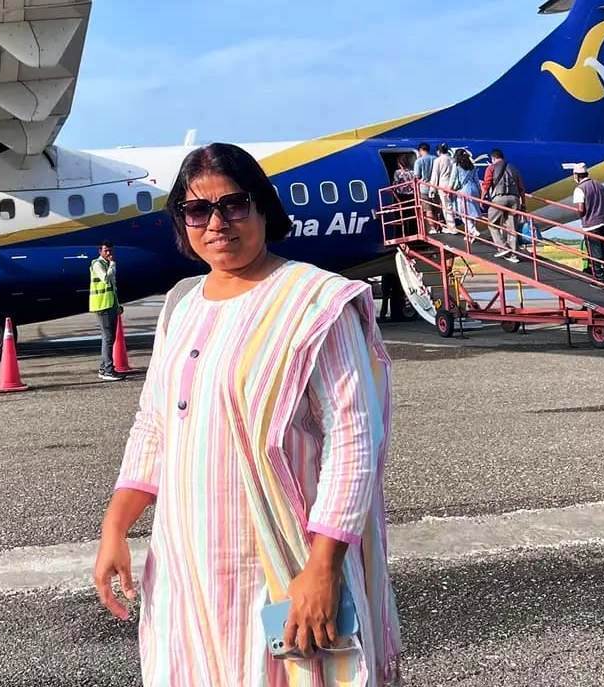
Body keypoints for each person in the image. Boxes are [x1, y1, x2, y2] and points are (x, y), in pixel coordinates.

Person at [94, 143, 401, 686]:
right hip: (185, 564)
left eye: (234, 205)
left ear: (263, 207)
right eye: (197, 210)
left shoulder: (314, 303)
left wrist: (323, 567)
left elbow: (355, 438)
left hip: (277, 562)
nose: (217, 223)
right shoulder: (181, 305)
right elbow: (154, 424)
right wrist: (115, 527)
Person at [572, 163, 604, 284]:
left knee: (594, 253)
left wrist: (578, 213)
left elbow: (581, 209)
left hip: (591, 225)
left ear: (576, 175)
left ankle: (599, 279)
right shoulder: (599, 185)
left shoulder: (580, 189)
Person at [481, 148, 526, 263]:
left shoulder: (491, 168)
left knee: (492, 224)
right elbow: (521, 188)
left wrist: (482, 199)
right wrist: (523, 203)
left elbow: (486, 184)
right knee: (512, 227)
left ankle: (503, 247)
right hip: (514, 199)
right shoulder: (513, 168)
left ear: (493, 158)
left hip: (499, 198)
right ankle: (514, 254)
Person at [89, 240, 125, 381]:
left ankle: (104, 368)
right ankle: (108, 370)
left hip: (110, 305)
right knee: (108, 338)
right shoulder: (97, 264)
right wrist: (113, 264)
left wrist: (117, 306)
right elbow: (105, 278)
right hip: (102, 305)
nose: (109, 253)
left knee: (110, 338)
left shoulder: (106, 264)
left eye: (110, 250)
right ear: (100, 251)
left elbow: (112, 288)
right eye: (106, 251)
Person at [450, 148, 482, 240]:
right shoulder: (472, 166)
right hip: (474, 189)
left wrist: (449, 189)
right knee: (472, 212)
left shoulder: (456, 166)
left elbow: (452, 179)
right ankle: (469, 235)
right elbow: (477, 180)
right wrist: (480, 192)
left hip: (464, 191)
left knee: (463, 213)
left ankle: (473, 231)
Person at [429, 144, 457, 233]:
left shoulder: (438, 160)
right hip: (453, 185)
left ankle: (452, 227)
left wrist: (432, 189)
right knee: (452, 205)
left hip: (443, 185)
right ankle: (453, 226)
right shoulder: (452, 160)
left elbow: (435, 175)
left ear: (439, 151)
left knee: (446, 206)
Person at [392, 155, 417, 237]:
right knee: (412, 215)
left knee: (402, 215)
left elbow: (395, 183)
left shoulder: (397, 172)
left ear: (399, 163)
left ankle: (403, 233)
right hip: (411, 195)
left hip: (401, 196)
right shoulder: (412, 172)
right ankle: (413, 232)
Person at [413, 142, 437, 227]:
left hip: (424, 188)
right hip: (435, 187)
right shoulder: (435, 159)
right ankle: (439, 226)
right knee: (436, 209)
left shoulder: (419, 161)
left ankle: (432, 227)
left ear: (420, 150)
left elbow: (417, 176)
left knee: (428, 209)